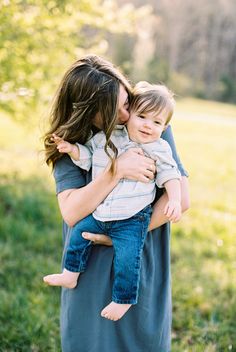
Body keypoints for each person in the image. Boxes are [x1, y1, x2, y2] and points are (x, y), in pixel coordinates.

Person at [43, 54, 190, 352]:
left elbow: (181, 197)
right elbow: (72, 210)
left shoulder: (148, 118)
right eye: (117, 108)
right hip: (89, 263)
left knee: (142, 340)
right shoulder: (70, 139)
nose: (128, 113)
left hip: (140, 248)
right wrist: (115, 170)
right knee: (90, 341)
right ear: (90, 114)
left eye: (127, 99)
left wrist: (124, 235)